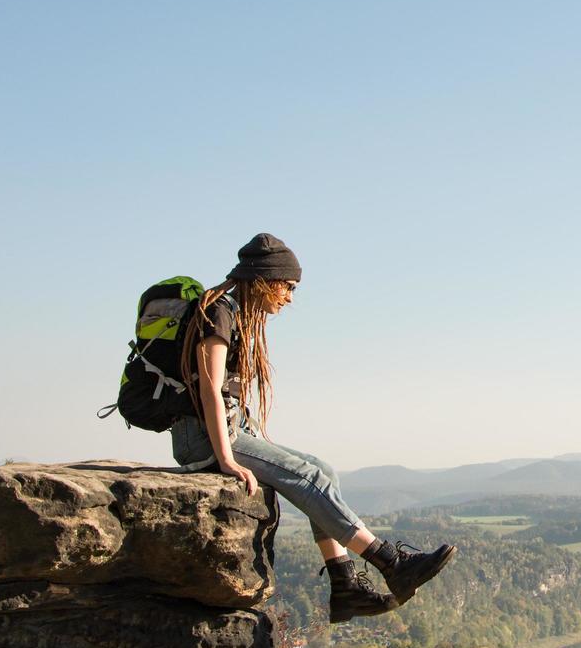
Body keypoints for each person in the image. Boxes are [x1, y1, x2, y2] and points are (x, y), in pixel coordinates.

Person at [168, 233, 455, 621]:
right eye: (287, 286)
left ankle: (345, 585)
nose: (289, 297)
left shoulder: (234, 312)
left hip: (229, 432)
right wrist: (225, 459)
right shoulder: (219, 312)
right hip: (204, 439)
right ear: (264, 279)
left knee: (322, 468)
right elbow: (209, 390)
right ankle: (391, 562)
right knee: (306, 476)